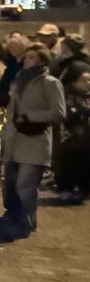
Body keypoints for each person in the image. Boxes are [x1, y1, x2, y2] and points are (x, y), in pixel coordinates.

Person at [0, 43, 66, 241]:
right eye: (26, 57)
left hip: (34, 140)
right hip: (14, 138)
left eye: (30, 57)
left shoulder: (50, 83)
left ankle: (26, 223)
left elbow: (59, 112)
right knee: (10, 183)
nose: (25, 60)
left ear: (41, 60)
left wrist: (30, 116)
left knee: (25, 185)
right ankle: (13, 216)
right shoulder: (19, 80)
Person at [56, 70, 90, 203]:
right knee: (74, 162)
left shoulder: (87, 97)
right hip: (74, 138)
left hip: (86, 137)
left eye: (89, 80)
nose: (87, 83)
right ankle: (70, 188)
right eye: (84, 80)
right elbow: (67, 114)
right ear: (75, 81)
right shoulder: (68, 96)